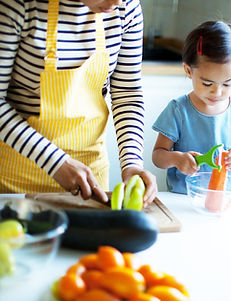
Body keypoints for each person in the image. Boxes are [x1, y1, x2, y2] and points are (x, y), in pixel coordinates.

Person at [0, 0, 157, 204]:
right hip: (18, 178)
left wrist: (132, 162)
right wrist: (55, 162)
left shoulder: (127, 7)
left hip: (91, 179)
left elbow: (128, 93)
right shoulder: (20, 5)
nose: (117, 1)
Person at [152, 20, 231, 194]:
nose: (217, 92)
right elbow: (158, 156)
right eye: (207, 83)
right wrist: (177, 158)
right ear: (189, 71)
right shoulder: (178, 110)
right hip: (189, 196)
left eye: (227, 84)